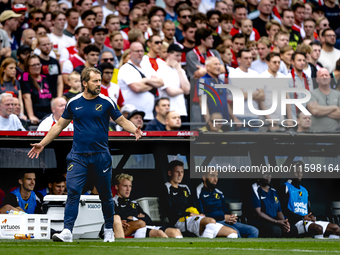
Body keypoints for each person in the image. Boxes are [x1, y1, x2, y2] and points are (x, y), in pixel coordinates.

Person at [28, 67, 142, 243]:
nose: (99, 84)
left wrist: (134, 130)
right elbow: (58, 126)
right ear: (84, 83)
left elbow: (121, 121)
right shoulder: (73, 102)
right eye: (95, 81)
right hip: (78, 156)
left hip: (101, 156)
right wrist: (42, 144)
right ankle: (67, 231)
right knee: (73, 191)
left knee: (105, 194)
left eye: (99, 80)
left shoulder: (107, 101)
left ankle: (109, 230)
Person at [159, 160, 238, 238]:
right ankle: (205, 245)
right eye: (177, 172)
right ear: (170, 173)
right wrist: (188, 214)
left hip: (193, 218)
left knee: (232, 232)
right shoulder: (166, 187)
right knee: (211, 221)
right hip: (181, 221)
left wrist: (199, 213)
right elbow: (168, 209)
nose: (180, 175)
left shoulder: (185, 188)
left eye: (182, 172)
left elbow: (193, 204)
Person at [281, 161, 340, 238]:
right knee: (318, 229)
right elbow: (283, 209)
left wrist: (312, 216)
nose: (299, 174)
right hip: (296, 222)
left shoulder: (304, 190)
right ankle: (319, 248)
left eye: (301, 172)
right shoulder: (285, 187)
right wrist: (302, 218)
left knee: (336, 228)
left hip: (307, 221)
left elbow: (308, 210)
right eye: (296, 171)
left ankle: (330, 249)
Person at [113, 173, 182, 238]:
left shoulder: (133, 203)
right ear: (116, 187)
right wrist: (137, 219)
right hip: (133, 229)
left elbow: (148, 220)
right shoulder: (113, 202)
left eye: (130, 186)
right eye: (125, 186)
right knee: (159, 233)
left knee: (176, 231)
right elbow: (121, 220)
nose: (128, 189)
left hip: (147, 226)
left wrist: (133, 218)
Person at [196, 170, 259, 238]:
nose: (215, 179)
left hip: (225, 221)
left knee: (253, 231)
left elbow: (225, 210)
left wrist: (231, 217)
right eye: (212, 176)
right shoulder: (198, 191)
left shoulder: (219, 193)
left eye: (217, 176)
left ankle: (248, 248)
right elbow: (201, 215)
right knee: (235, 232)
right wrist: (223, 217)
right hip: (212, 223)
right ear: (204, 177)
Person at [118, 42, 164, 121]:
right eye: (137, 51)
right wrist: (153, 84)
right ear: (130, 53)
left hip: (149, 115)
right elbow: (137, 87)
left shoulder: (147, 67)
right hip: (132, 116)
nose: (140, 53)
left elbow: (161, 82)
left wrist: (146, 80)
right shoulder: (126, 68)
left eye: (142, 51)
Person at [228, 49, 263, 131]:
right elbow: (240, 96)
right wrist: (256, 93)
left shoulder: (255, 74)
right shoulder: (234, 73)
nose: (249, 60)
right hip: (240, 116)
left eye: (251, 58)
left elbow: (262, 96)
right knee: (241, 143)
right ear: (239, 59)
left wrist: (247, 94)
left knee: (254, 143)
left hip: (255, 116)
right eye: (246, 58)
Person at [259, 52, 292, 130]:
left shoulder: (282, 77)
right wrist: (270, 120)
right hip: (265, 120)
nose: (277, 64)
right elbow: (261, 101)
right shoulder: (261, 77)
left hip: (280, 118)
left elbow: (287, 99)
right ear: (267, 63)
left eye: (279, 62)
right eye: (274, 62)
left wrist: (290, 119)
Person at [157, 44, 190, 121]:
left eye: (180, 55)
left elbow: (188, 90)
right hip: (169, 112)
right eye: (176, 55)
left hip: (182, 111)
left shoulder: (180, 70)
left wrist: (178, 70)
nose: (179, 58)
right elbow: (171, 91)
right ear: (169, 55)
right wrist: (183, 90)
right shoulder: (162, 70)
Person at [21, 54, 52, 123]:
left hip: (48, 114)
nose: (37, 67)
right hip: (36, 115)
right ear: (28, 67)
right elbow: (26, 97)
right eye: (33, 65)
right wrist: (31, 116)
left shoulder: (44, 78)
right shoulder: (26, 76)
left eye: (38, 64)